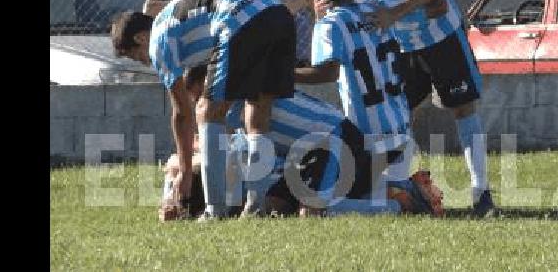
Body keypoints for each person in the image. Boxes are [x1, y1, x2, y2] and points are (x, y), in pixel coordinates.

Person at [322, 0, 496, 216]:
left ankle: (481, 193)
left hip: (441, 34)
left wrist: (394, 13)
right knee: (398, 113)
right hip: (401, 45)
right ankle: (402, 188)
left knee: (462, 106)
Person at [112, 0, 293, 220]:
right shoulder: (176, 12)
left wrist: (186, 171)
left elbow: (181, 112)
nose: (144, 63)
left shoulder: (158, 41)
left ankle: (214, 210)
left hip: (238, 19)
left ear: (141, 38)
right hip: (278, 15)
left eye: (136, 57)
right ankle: (255, 206)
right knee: (258, 113)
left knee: (207, 112)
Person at [159, 90, 444, 220]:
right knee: (278, 206)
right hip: (308, 153)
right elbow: (176, 164)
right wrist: (168, 197)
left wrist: (174, 192)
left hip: (329, 141)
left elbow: (176, 163)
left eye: (193, 91)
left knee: (314, 212)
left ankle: (402, 200)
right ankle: (395, 188)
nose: (193, 100)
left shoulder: (233, 106)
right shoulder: (228, 116)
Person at [295, 0, 415, 202]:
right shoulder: (379, 9)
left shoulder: (330, 25)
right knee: (386, 189)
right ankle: (402, 192)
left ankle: (397, 199)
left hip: (365, 139)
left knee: (320, 195)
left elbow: (327, 72)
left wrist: (284, 75)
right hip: (401, 127)